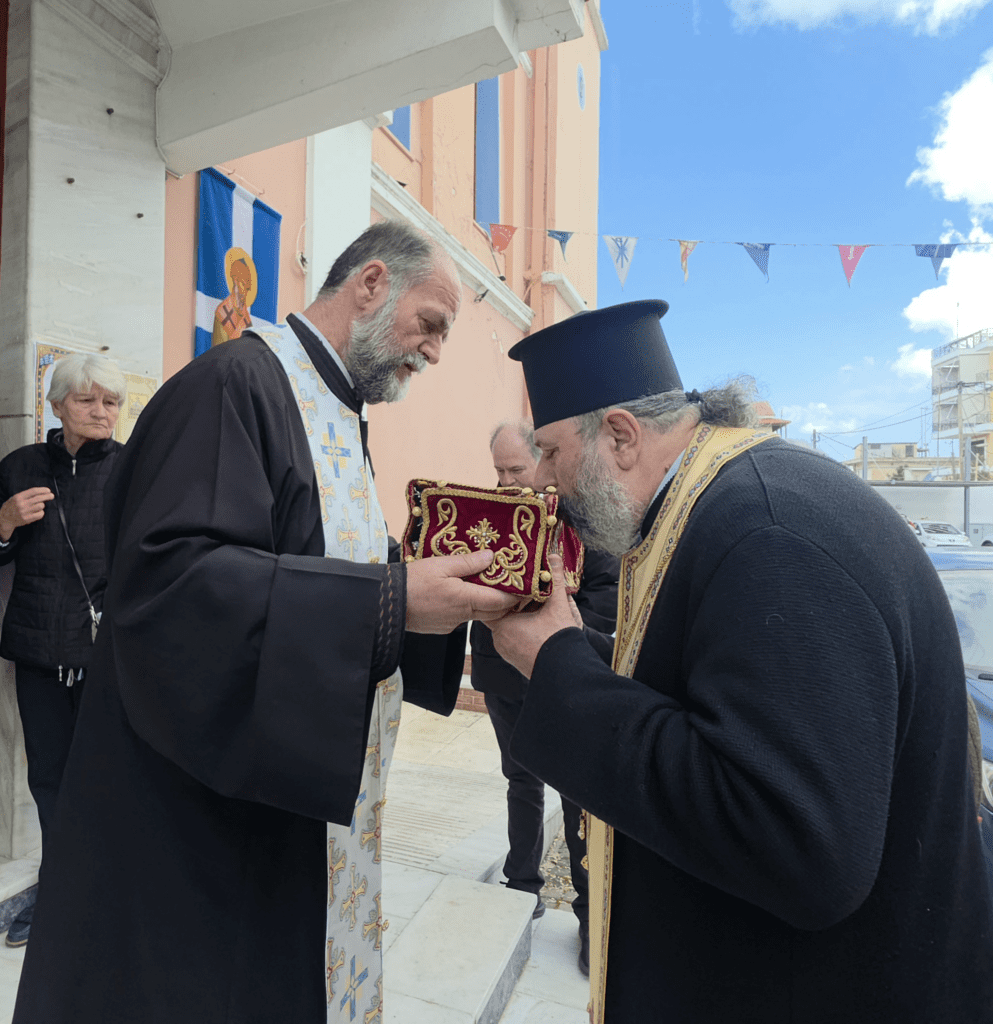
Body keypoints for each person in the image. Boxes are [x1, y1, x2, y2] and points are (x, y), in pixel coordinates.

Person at [12, 220, 518, 1024]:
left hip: (283, 795)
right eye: (431, 324)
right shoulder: (232, 384)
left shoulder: (331, 408)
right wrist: (387, 602)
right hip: (204, 812)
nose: (433, 352)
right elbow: (175, 587)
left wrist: (430, 598)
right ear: (371, 284)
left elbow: (318, 559)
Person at [488, 299, 993, 1024]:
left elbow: (790, 838)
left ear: (621, 436)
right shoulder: (726, 500)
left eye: (550, 451)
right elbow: (699, 693)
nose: (541, 478)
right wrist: (570, 648)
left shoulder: (767, 531)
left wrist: (557, 668)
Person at [470, 420, 618, 976]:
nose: (507, 482)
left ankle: (589, 918)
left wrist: (557, 638)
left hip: (563, 676)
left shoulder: (583, 517)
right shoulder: (487, 514)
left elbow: (607, 593)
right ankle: (522, 885)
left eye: (516, 469)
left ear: (543, 460)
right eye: (499, 471)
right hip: (502, 674)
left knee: (578, 797)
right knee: (520, 781)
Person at [0, 353, 127, 948]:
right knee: (48, 780)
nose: (101, 412)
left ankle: (105, 891)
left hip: (105, 659)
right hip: (38, 654)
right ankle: (58, 889)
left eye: (111, 401)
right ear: (56, 405)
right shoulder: (20, 467)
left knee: (105, 778)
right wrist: (4, 522)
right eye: (87, 400)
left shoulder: (132, 470)